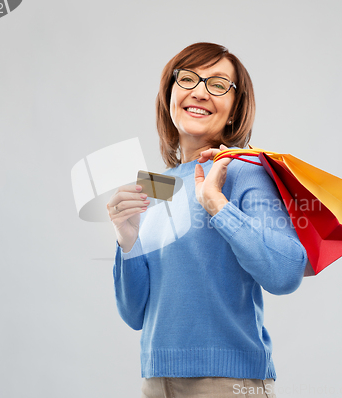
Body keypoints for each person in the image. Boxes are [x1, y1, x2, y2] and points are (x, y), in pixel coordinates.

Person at [107, 42, 308, 398]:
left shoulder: (246, 171)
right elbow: (135, 313)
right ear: (169, 94)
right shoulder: (156, 186)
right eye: (188, 79)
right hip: (155, 381)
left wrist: (218, 206)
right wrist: (128, 239)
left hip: (226, 383)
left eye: (217, 85)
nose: (199, 92)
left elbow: (285, 273)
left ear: (233, 110)